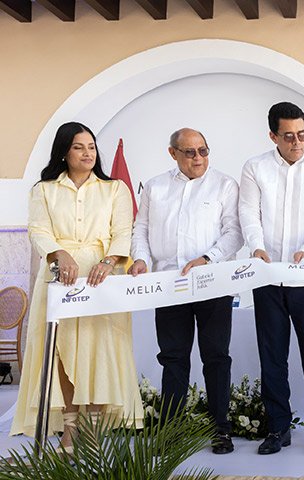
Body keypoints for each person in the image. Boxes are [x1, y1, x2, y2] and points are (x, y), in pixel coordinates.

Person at [12, 122, 144, 447]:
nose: (87, 153)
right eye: (78, 147)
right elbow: (38, 230)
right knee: (62, 350)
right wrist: (59, 254)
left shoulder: (115, 189)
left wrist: (109, 262)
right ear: (64, 152)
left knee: (99, 349)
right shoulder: (43, 190)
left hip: (103, 280)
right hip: (60, 281)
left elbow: (123, 232)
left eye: (91, 147)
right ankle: (70, 429)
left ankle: (94, 429)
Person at [129, 128, 242, 454]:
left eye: (203, 151)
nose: (198, 158)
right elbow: (142, 229)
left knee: (217, 358)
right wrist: (139, 258)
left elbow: (234, 233)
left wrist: (208, 258)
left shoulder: (225, 185)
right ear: (172, 153)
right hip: (169, 286)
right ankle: (172, 432)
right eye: (190, 152)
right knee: (173, 359)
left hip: (212, 283)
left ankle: (221, 429)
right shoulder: (155, 187)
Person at [239, 102, 304, 457]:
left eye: (302, 135)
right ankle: (278, 428)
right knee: (272, 357)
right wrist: (257, 247)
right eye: (289, 136)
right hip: (267, 276)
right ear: (273, 136)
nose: (297, 142)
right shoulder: (255, 168)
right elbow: (249, 212)